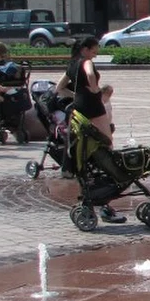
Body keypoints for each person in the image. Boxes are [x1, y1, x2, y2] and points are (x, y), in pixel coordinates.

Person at [57, 37, 127, 222]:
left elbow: (59, 88)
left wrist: (77, 95)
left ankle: (91, 192)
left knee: (87, 151)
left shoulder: (72, 65)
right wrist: (95, 90)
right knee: (107, 147)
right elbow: (89, 74)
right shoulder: (86, 62)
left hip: (79, 109)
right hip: (94, 109)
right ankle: (106, 201)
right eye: (94, 50)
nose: (95, 54)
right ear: (85, 49)